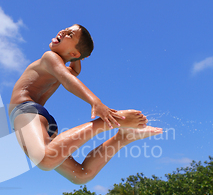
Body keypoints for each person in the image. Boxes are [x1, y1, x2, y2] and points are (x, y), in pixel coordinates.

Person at [9, 24, 163, 183]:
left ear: (74, 52)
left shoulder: (49, 57)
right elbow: (73, 72)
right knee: (81, 175)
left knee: (45, 160)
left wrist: (96, 102)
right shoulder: (59, 66)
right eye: (65, 29)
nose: (62, 31)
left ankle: (107, 123)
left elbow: (69, 80)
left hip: (25, 111)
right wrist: (78, 57)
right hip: (39, 119)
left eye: (69, 34)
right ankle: (123, 137)